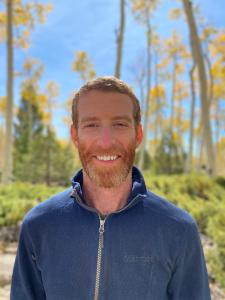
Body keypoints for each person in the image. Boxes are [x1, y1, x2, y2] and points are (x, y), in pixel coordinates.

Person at [11, 76, 211, 300]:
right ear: (75, 136)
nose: (105, 142)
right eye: (92, 125)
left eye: (119, 124)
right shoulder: (38, 226)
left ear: (138, 135)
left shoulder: (178, 230)